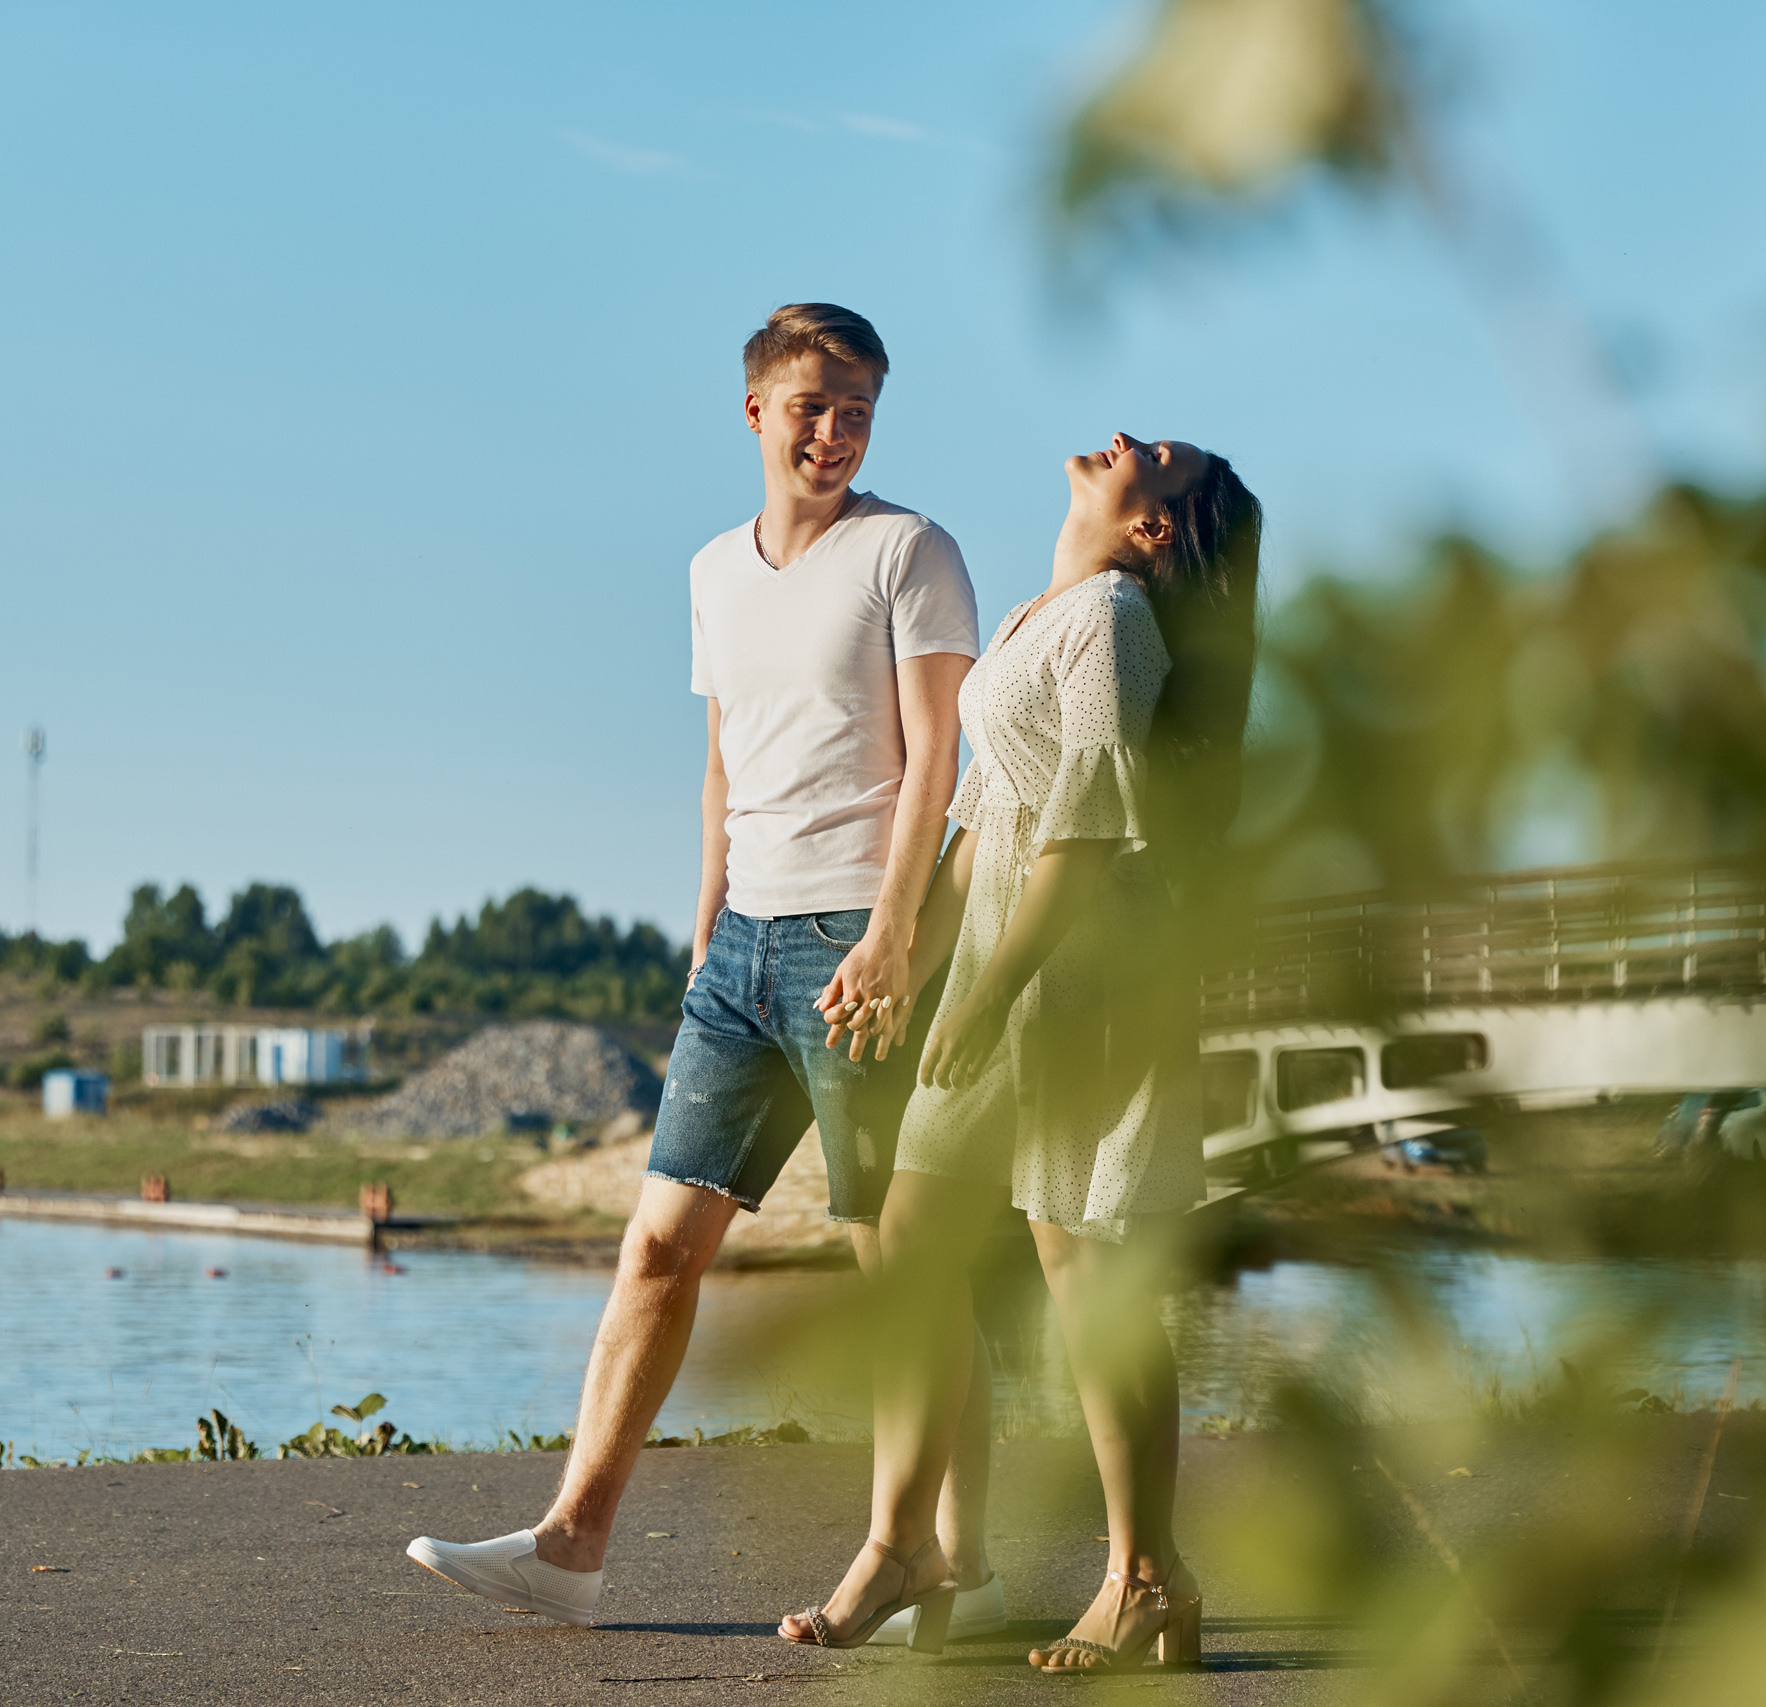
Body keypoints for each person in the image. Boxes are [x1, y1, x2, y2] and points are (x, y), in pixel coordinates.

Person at [407, 304, 1006, 1640]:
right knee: (659, 1244)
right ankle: (570, 1544)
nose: (837, 432)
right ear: (754, 411)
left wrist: (899, 934)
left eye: (859, 409)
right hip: (739, 956)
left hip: (859, 941)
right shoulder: (712, 574)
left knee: (896, 1256)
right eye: (813, 406)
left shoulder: (909, 552)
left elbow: (936, 765)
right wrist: (705, 928)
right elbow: (727, 761)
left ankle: (938, 1555)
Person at [777, 432, 1261, 1668]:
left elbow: (1085, 829)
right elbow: (991, 816)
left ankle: (1142, 1576)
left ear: (1154, 525)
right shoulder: (1051, 611)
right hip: (1000, 975)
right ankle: (910, 1545)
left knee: (1089, 1273)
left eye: (1151, 455)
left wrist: (985, 995)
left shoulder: (1110, 618)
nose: (1120, 443)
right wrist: (904, 966)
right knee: (918, 1246)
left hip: (1080, 977)